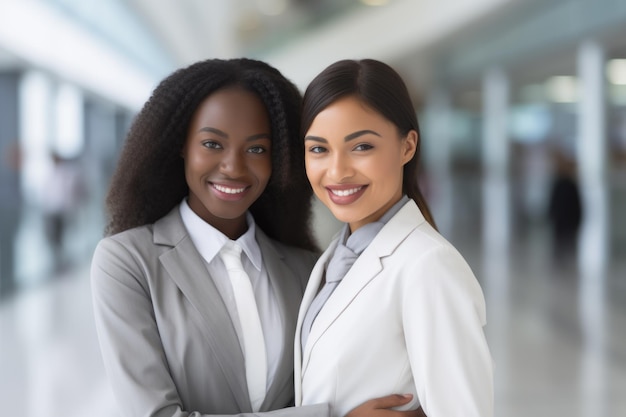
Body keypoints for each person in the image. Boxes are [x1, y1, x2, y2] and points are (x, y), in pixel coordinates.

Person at [91, 58, 417, 417]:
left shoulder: (307, 269)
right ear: (182, 145)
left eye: (257, 149)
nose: (233, 166)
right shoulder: (127, 262)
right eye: (212, 144)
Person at [294, 59, 494, 417]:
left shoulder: (428, 266)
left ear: (407, 146)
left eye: (362, 147)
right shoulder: (336, 258)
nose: (337, 171)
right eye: (319, 149)